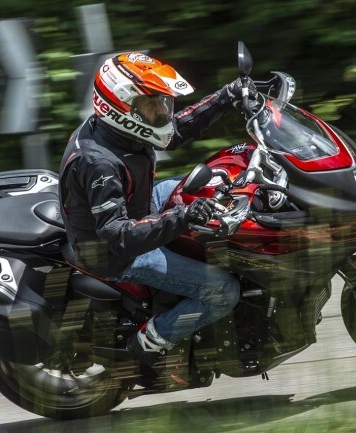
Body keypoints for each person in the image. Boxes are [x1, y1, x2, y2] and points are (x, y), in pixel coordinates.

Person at [58, 52, 252, 388]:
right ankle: (149, 343)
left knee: (216, 185)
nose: (162, 112)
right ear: (121, 106)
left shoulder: (120, 130)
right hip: (116, 254)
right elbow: (117, 235)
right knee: (223, 291)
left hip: (141, 205)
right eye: (153, 105)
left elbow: (176, 131)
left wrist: (228, 96)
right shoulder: (99, 163)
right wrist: (181, 218)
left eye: (163, 103)